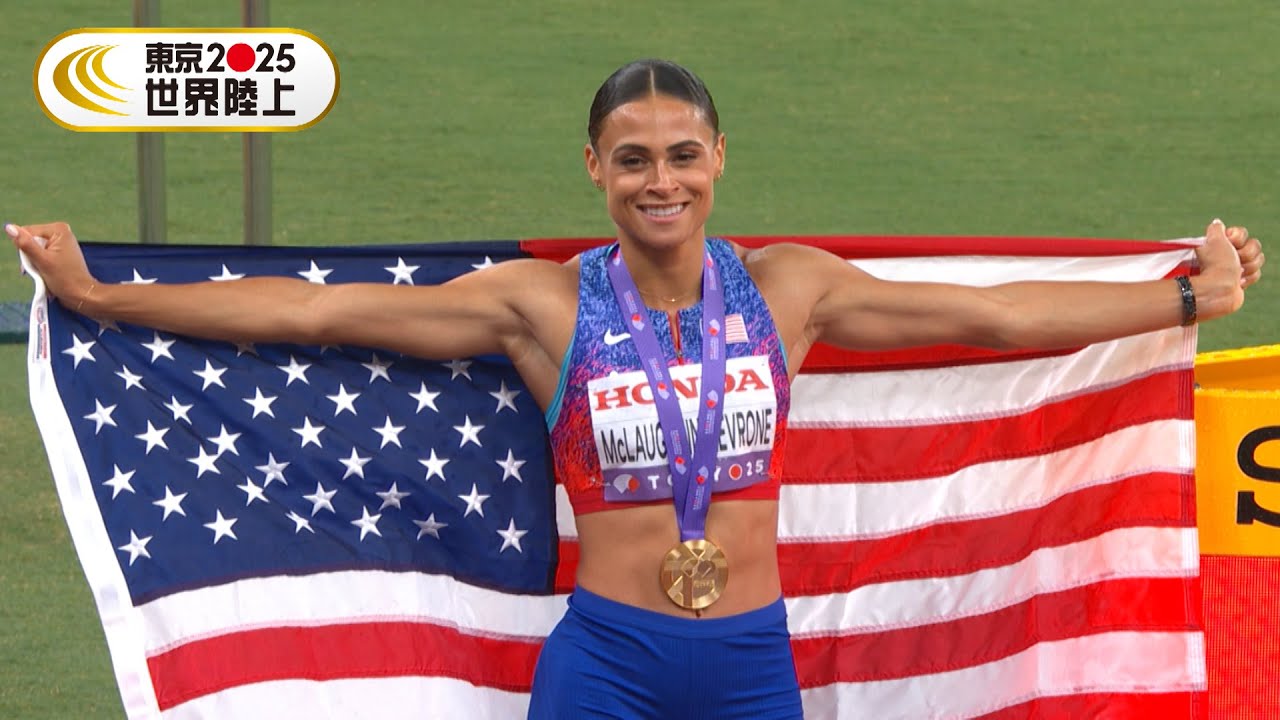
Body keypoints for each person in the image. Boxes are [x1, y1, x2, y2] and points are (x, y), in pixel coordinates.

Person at [8, 59, 1265, 719]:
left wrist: (1180, 301)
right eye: (630, 160)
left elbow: (994, 317)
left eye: (679, 154)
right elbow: (317, 309)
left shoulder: (787, 294)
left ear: (716, 160)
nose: (657, 179)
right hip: (605, 660)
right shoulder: (544, 306)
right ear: (596, 172)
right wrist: (105, 299)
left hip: (750, 664)